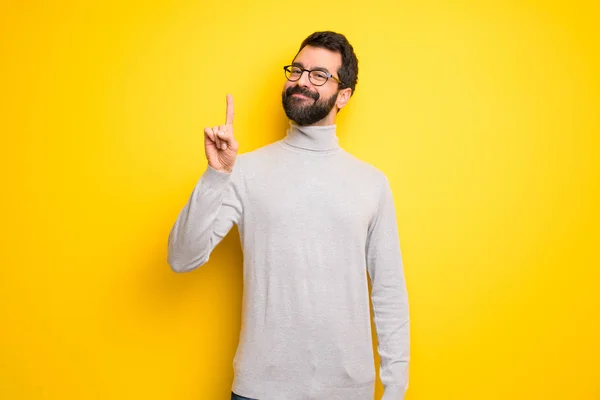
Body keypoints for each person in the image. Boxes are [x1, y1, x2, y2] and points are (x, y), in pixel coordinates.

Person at [167, 31, 410, 400]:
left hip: (347, 392)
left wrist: (395, 390)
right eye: (296, 70)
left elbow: (389, 292)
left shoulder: (371, 183)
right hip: (260, 391)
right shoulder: (244, 171)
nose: (301, 81)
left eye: (319, 75)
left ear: (343, 95)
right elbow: (181, 258)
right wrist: (216, 175)